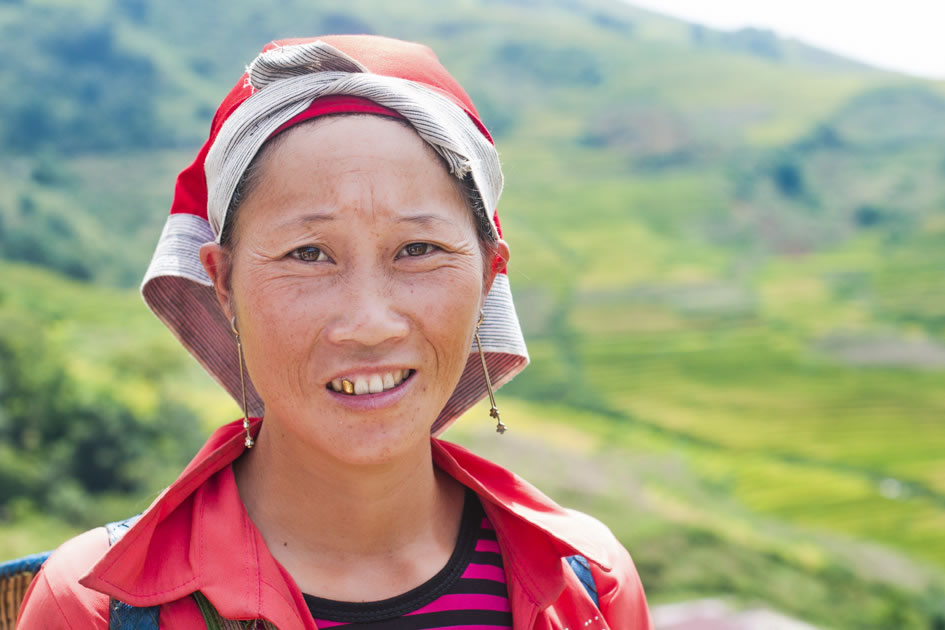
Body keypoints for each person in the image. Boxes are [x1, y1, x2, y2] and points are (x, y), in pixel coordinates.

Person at [16, 35, 652, 629]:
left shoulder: (588, 587)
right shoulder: (96, 607)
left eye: (419, 248)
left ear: (490, 275)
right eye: (308, 254)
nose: (369, 324)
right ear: (223, 283)